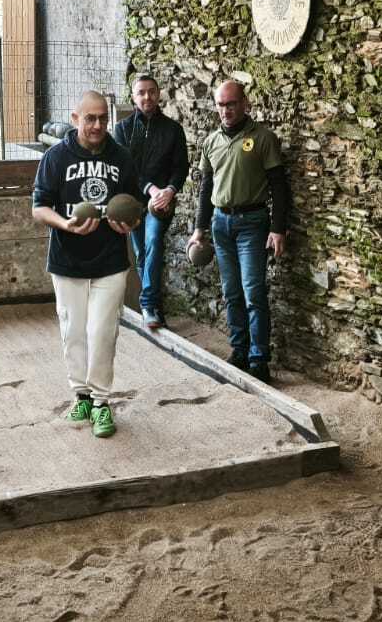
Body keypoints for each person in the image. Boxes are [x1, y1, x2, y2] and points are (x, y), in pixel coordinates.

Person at [31, 90, 139, 438]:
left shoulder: (121, 157)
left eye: (103, 118)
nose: (97, 125)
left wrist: (130, 223)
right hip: (67, 261)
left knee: (102, 332)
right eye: (89, 118)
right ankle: (81, 395)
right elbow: (39, 207)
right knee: (73, 332)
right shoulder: (56, 157)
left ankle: (102, 402)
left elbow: (134, 206)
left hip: (110, 261)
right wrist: (65, 224)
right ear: (75, 119)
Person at [187, 80, 290, 383]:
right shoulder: (211, 142)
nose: (226, 110)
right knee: (231, 292)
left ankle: (259, 359)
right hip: (221, 224)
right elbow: (206, 189)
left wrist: (278, 228)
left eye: (231, 104)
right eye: (221, 104)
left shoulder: (263, 138)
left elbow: (279, 186)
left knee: (253, 291)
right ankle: (240, 350)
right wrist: (199, 228)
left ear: (245, 104)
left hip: (252, 223)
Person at [112, 74, 189, 332]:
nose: (147, 96)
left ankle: (148, 304)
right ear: (133, 97)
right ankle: (156, 308)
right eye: (141, 92)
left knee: (153, 241)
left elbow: (181, 167)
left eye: (152, 91)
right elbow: (127, 167)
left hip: (161, 203)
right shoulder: (122, 130)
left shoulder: (173, 130)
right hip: (132, 202)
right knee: (143, 253)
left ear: (158, 94)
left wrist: (169, 190)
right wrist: (151, 188)